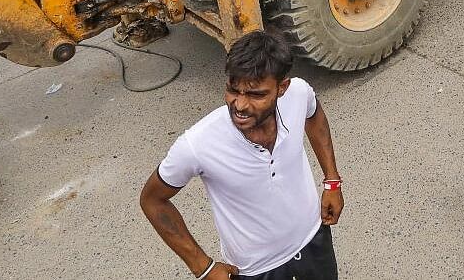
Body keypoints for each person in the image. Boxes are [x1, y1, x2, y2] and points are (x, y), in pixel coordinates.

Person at [140, 31, 343, 280]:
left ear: (282, 88)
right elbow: (152, 200)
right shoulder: (197, 144)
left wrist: (332, 180)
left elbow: (314, 115)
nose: (240, 105)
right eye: (233, 90)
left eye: (256, 94)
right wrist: (202, 267)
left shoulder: (298, 93)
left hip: (315, 241)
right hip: (256, 271)